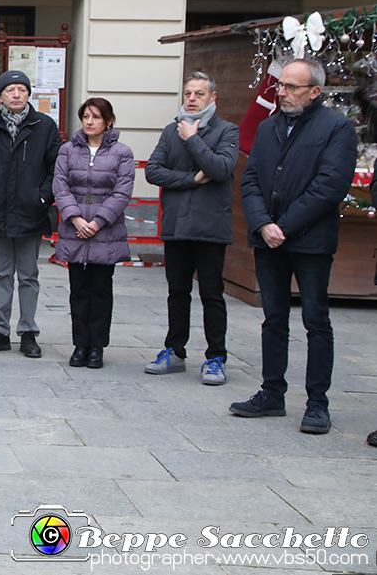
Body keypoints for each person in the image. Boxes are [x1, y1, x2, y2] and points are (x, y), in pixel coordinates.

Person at [232, 58, 357, 434]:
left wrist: (282, 227)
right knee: (273, 318)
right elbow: (250, 179)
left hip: (311, 243)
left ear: (315, 91)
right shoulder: (269, 128)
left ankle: (317, 403)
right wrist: (263, 223)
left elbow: (330, 186)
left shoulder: (337, 129)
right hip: (269, 239)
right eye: (281, 85)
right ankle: (272, 393)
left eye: (290, 87)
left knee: (316, 320)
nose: (280, 92)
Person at [143, 72, 240, 385]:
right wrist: (190, 180)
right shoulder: (171, 131)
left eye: (199, 93)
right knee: (177, 292)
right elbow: (154, 171)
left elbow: (221, 168)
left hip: (210, 226)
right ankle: (174, 350)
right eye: (188, 93)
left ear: (213, 98)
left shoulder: (227, 130)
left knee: (212, 294)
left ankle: (215, 357)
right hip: (176, 225)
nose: (192, 99)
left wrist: (193, 139)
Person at [0, 69, 61, 358]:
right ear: (0, 97)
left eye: (22, 90)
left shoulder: (44, 126)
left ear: (29, 94)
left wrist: (42, 197)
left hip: (31, 211)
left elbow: (56, 167)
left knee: (29, 274)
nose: (17, 94)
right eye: (10, 90)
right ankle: (0, 330)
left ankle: (28, 331)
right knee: (2, 273)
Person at [53, 98, 135, 369]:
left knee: (100, 289)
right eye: (86, 116)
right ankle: (80, 345)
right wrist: (75, 217)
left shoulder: (122, 152)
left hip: (105, 232)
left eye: (96, 117)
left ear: (108, 121)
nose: (89, 121)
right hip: (74, 230)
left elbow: (122, 191)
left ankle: (97, 346)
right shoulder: (68, 150)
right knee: (78, 290)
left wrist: (98, 221)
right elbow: (61, 185)